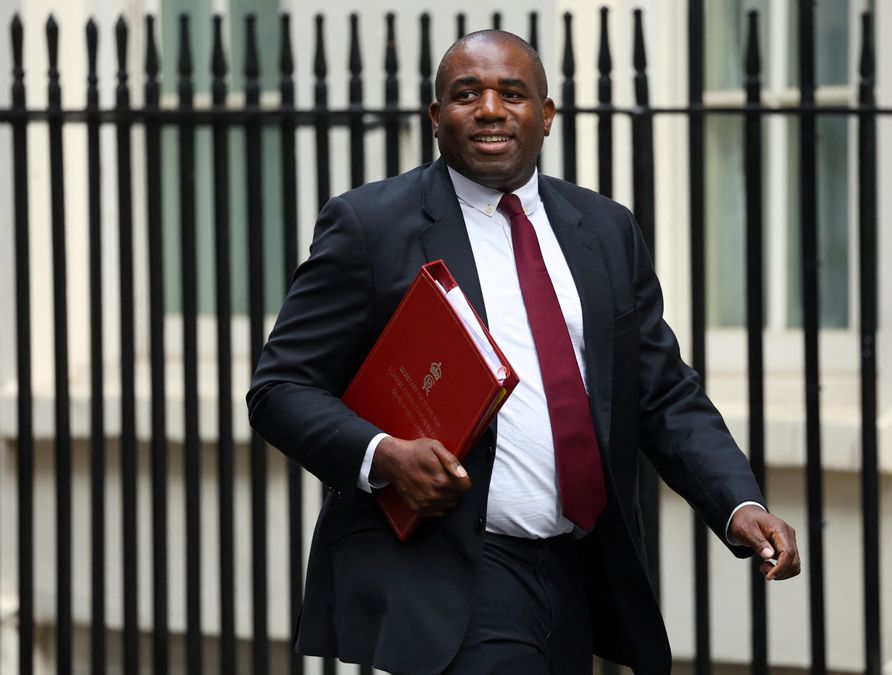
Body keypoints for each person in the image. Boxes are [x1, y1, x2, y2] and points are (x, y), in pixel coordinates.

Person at [247, 29, 800, 675]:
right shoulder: (371, 225)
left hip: (578, 568)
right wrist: (384, 455)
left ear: (546, 114)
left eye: (511, 93)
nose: (488, 109)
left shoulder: (604, 228)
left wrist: (739, 504)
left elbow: (660, 390)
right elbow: (280, 388)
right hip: (458, 568)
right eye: (465, 94)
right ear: (434, 117)